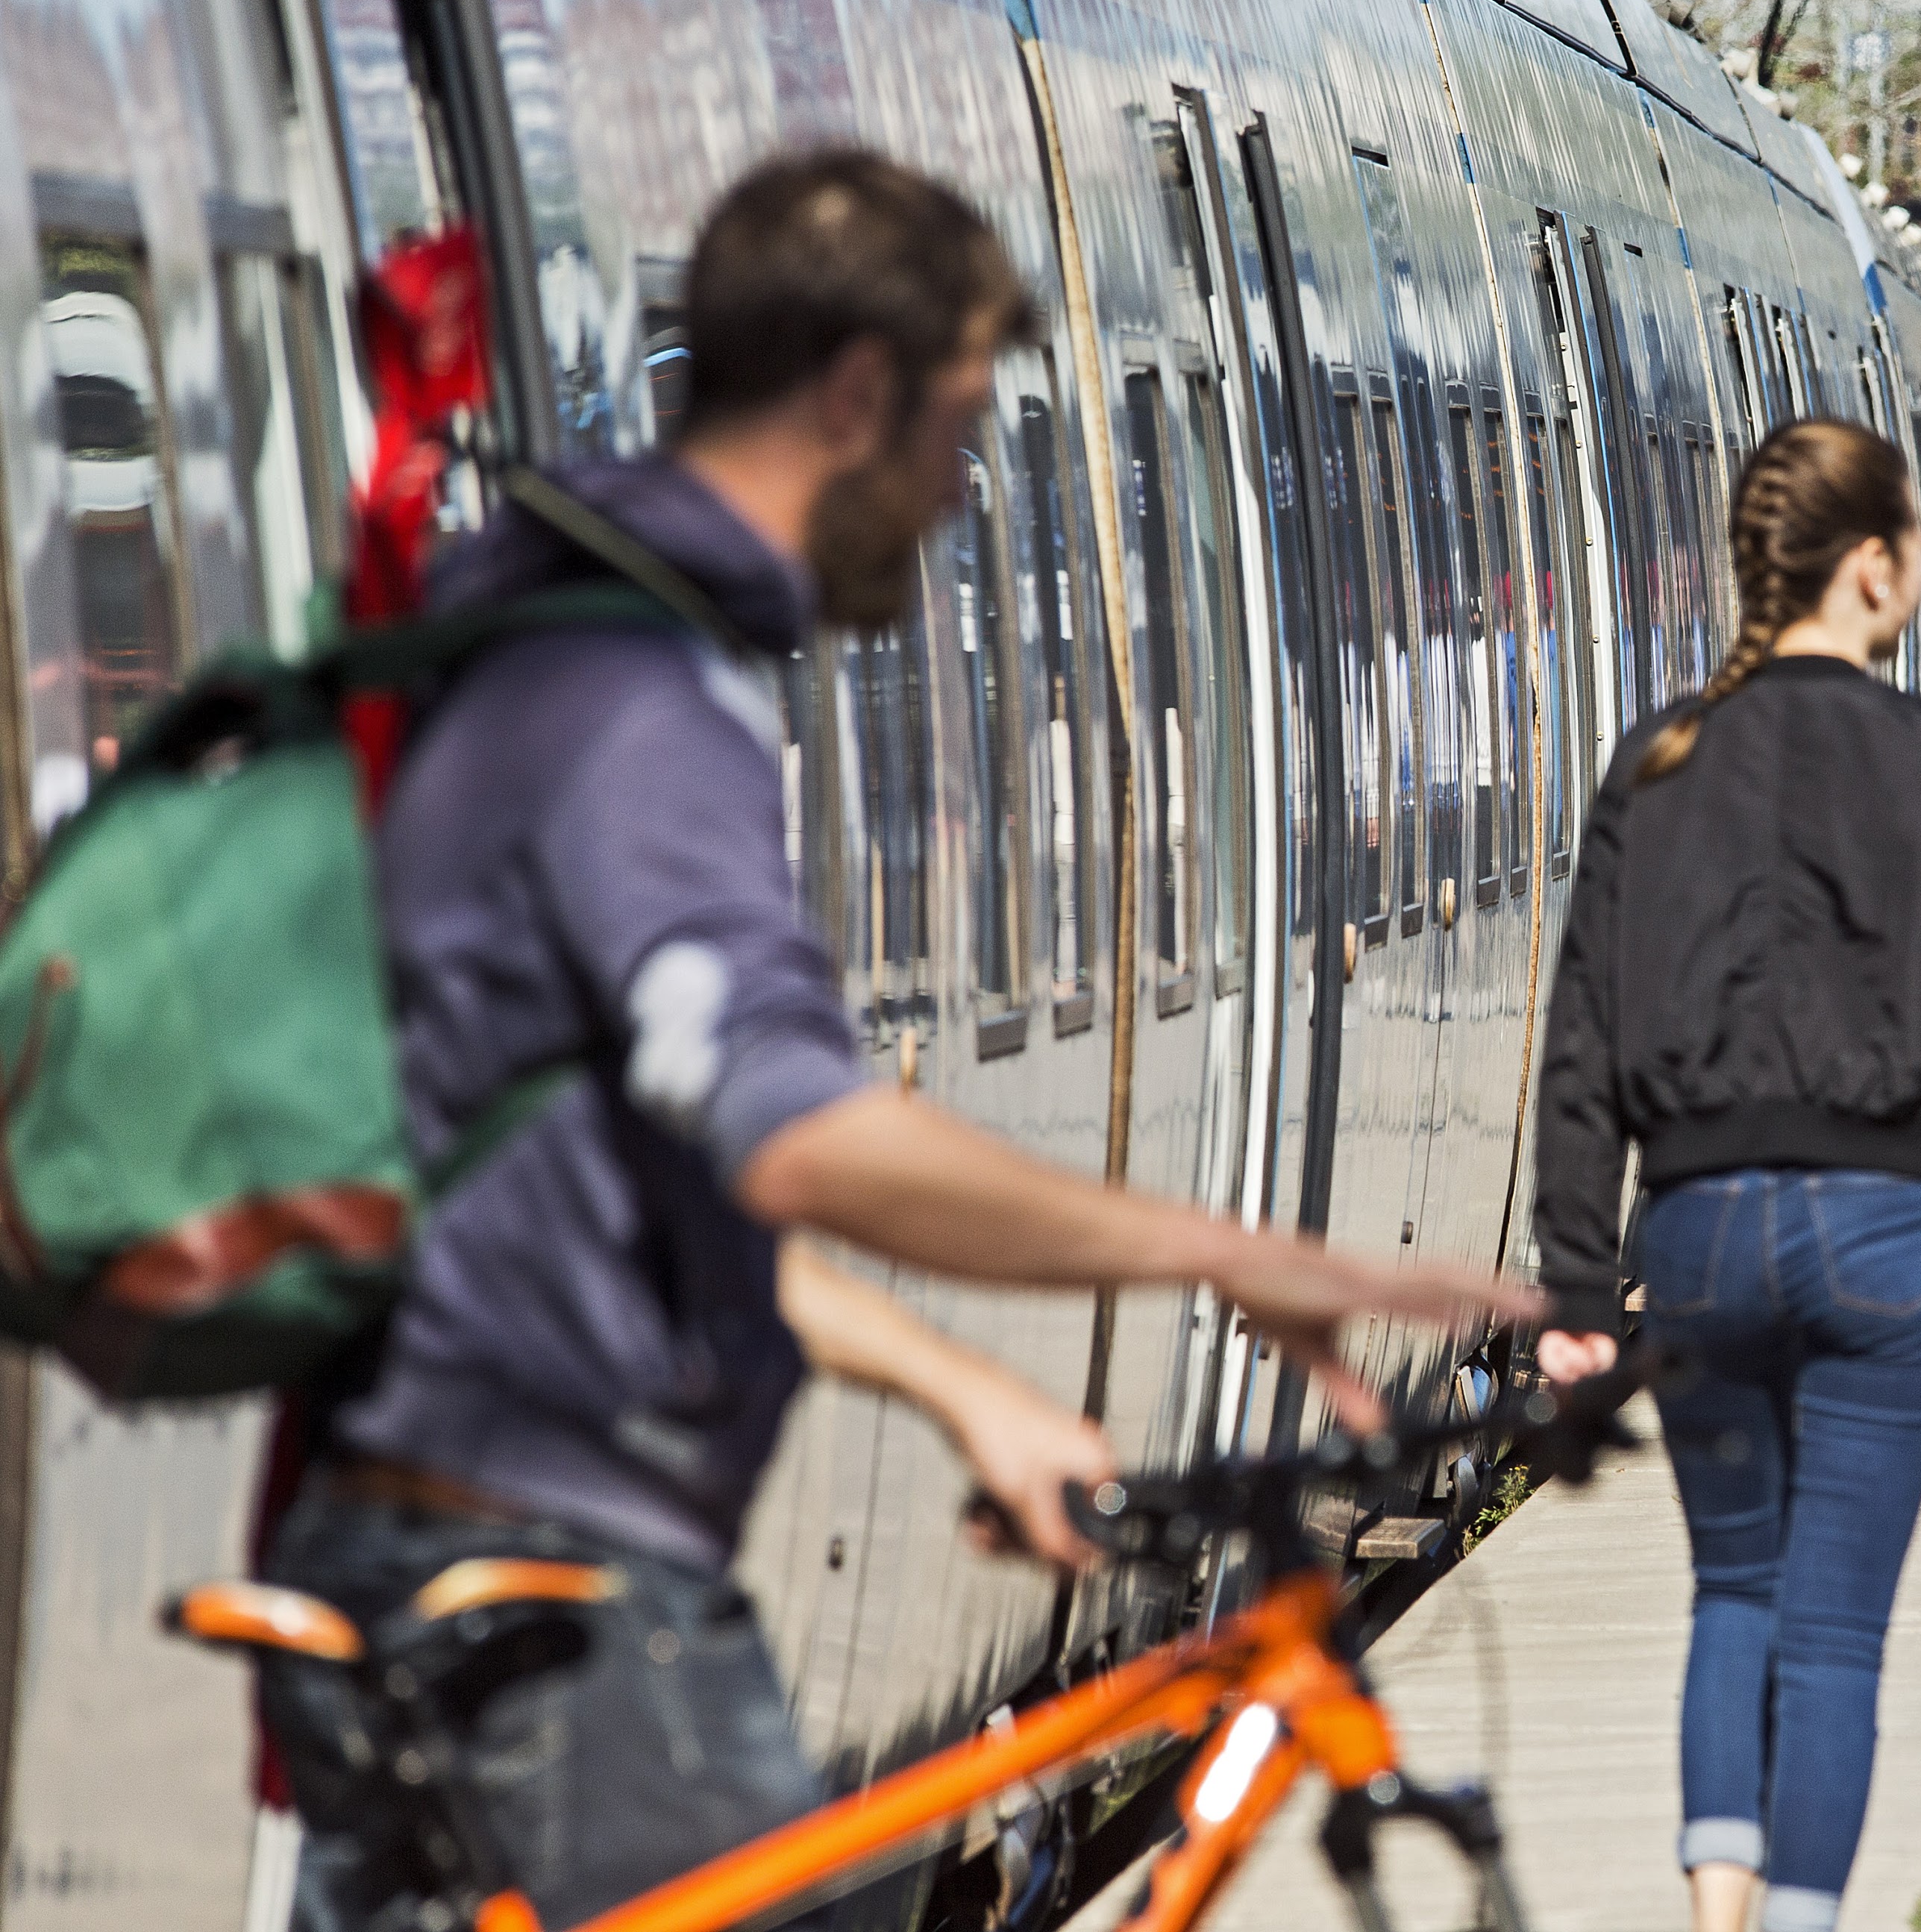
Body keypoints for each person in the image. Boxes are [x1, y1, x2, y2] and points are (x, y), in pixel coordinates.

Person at [259, 152, 1530, 1931]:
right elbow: (791, 1127)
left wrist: (967, 1391)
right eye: (952, 431)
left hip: (444, 1540)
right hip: (548, 1586)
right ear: (856, 392)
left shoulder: (525, 610)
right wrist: (1227, 1252)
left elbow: (609, 1185)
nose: (953, 497)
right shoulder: (632, 689)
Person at [1535, 420, 1921, 1932]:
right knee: (1835, 1633)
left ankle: (1712, 1901)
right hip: (1886, 1230)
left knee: (1734, 1596)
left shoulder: (1656, 760)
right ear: (1872, 568)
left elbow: (1583, 1038)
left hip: (1703, 1232)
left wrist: (1579, 1283)